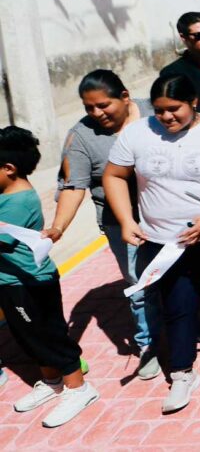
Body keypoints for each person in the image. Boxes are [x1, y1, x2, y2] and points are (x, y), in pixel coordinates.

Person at [104, 74, 200, 413]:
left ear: (194, 102)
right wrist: (127, 221)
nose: (167, 117)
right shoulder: (137, 133)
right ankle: (183, 371)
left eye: (174, 109)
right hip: (164, 241)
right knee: (177, 303)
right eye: (159, 111)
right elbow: (113, 175)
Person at [48, 70, 159, 380]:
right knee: (138, 283)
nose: (96, 113)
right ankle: (148, 344)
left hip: (166, 211)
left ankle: (184, 324)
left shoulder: (155, 111)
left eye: (103, 105)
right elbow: (73, 186)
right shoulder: (81, 135)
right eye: (88, 107)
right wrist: (58, 228)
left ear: (125, 97)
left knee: (176, 274)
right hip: (119, 222)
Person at [1, 127, 100, 428]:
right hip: (10, 282)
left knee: (49, 338)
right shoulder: (6, 196)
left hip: (29, 284)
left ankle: (79, 388)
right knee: (28, 337)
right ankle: (52, 381)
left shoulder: (19, 203)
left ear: (8, 169)